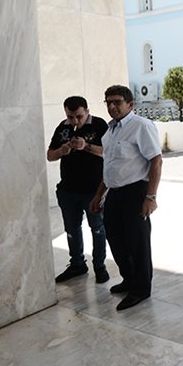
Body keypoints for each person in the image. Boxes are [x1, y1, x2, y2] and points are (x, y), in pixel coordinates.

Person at [90, 85, 162, 311]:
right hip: (114, 192)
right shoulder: (110, 131)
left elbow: (156, 160)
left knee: (137, 243)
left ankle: (141, 289)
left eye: (117, 102)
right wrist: (98, 195)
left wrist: (150, 196)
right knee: (116, 239)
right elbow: (109, 166)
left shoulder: (141, 126)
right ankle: (129, 279)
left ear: (130, 104)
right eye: (108, 102)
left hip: (135, 192)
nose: (112, 106)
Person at [47, 96, 110, 284]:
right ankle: (77, 264)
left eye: (79, 116)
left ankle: (100, 266)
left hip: (93, 190)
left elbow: (109, 152)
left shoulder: (99, 125)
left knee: (97, 228)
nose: (75, 121)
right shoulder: (63, 127)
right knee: (71, 229)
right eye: (70, 117)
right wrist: (62, 151)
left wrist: (86, 146)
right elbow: (50, 155)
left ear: (87, 111)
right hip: (68, 190)